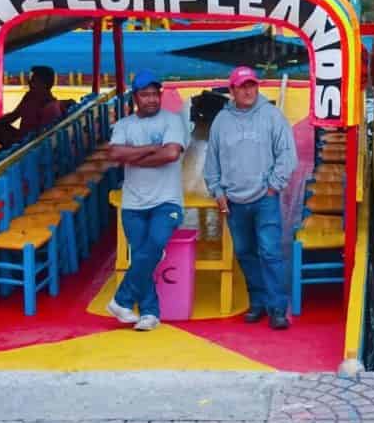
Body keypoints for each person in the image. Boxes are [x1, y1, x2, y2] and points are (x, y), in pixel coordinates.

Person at [204, 66, 297, 330]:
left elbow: (287, 155)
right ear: (232, 90)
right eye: (242, 86)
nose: (248, 90)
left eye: (252, 85)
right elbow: (212, 161)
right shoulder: (221, 121)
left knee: (269, 252)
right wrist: (217, 192)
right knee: (245, 252)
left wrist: (273, 186)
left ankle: (277, 307)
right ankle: (258, 302)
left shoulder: (272, 116)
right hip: (234, 201)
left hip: (264, 198)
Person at [107, 69, 189, 332]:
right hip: (133, 204)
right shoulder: (123, 125)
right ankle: (149, 313)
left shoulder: (173, 120)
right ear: (135, 97)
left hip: (167, 201)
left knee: (153, 246)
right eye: (146, 95)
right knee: (144, 255)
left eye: (155, 94)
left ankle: (121, 300)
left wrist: (134, 157)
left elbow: (171, 155)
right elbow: (115, 154)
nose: (152, 99)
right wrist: (151, 148)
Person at [0, 65, 62, 147]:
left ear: (44, 84)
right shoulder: (30, 96)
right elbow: (14, 116)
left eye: (33, 81)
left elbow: (42, 139)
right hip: (19, 137)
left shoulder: (49, 107)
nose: (29, 83)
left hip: (26, 146)